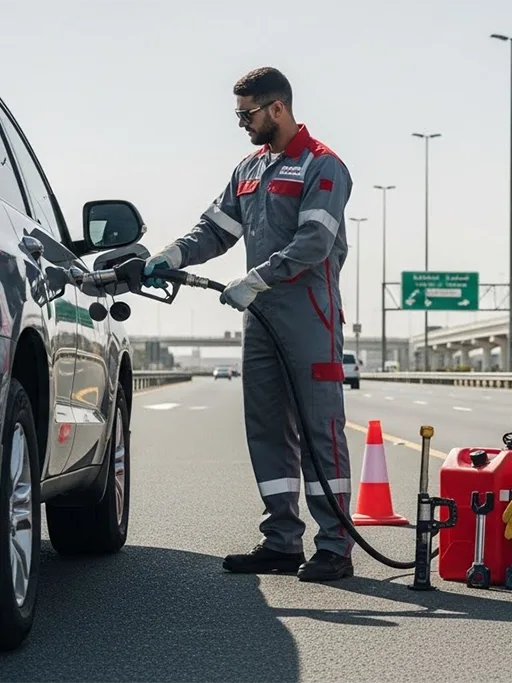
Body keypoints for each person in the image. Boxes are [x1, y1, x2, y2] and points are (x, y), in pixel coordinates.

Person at [143, 67, 356, 582]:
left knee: (319, 430)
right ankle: (282, 541)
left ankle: (334, 546)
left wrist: (258, 277)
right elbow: (215, 230)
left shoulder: (322, 166)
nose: (241, 123)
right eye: (237, 114)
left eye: (247, 114)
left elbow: (314, 243)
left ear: (277, 108)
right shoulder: (249, 169)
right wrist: (174, 253)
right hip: (260, 319)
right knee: (266, 427)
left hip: (310, 316)